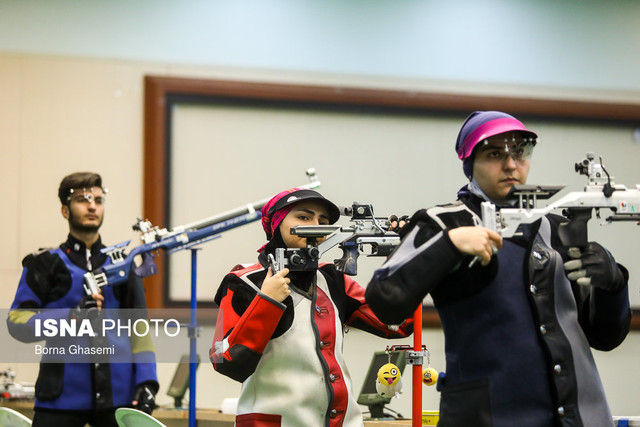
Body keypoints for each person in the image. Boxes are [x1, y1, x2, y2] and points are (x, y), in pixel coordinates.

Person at [365, 111, 631, 427]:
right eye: (494, 154)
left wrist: (612, 285)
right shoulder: (442, 223)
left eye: (519, 152)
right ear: (469, 164)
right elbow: (384, 300)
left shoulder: (558, 230)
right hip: (489, 416)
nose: (510, 164)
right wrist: (448, 245)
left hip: (581, 417)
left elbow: (605, 336)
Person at [210, 188, 414, 427]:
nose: (316, 226)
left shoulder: (333, 279)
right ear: (276, 223)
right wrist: (267, 301)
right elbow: (224, 361)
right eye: (304, 217)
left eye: (323, 221)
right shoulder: (243, 281)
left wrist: (404, 256)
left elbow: (398, 324)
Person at [7, 172, 159, 427]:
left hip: (118, 398)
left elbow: (139, 329)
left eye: (98, 200)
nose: (92, 206)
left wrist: (147, 381)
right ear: (65, 210)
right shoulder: (44, 264)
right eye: (82, 199)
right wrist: (70, 317)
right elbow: (17, 322)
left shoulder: (122, 265)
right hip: (60, 398)